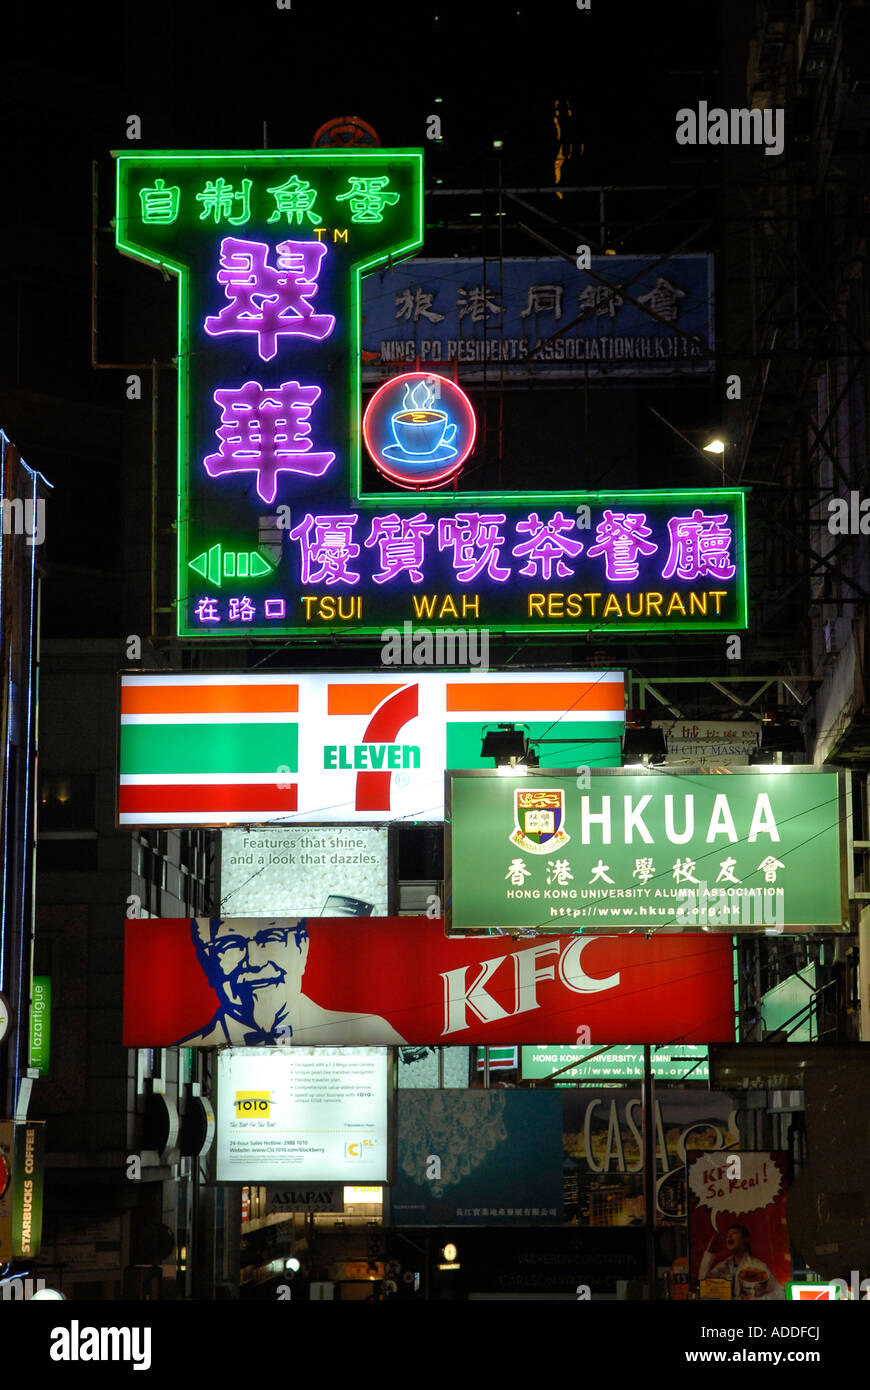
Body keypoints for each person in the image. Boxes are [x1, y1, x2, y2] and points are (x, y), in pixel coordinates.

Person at [177, 917, 406, 1045]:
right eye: (230, 945)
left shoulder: (371, 1032)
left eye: (270, 939)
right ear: (206, 963)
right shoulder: (185, 1046)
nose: (254, 961)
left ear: (301, 949)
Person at [698, 1223, 784, 1299]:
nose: (729, 1236)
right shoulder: (724, 1266)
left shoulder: (757, 1266)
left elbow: (780, 1294)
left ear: (745, 1239)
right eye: (728, 1235)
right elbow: (703, 1283)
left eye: (734, 1233)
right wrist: (709, 1252)